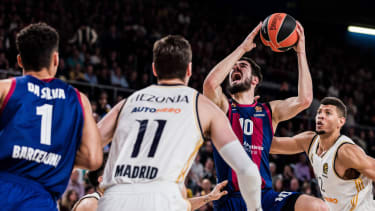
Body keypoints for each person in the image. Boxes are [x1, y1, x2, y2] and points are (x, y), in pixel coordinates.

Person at [97, 35, 262, 211]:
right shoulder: (201, 105)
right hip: (161, 198)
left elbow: (83, 149)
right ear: (189, 70)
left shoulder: (127, 103)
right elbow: (248, 171)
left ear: (154, 69)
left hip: (113, 200)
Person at [203, 22, 328, 211]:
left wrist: (300, 52)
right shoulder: (224, 108)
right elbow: (210, 85)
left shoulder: (269, 111)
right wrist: (243, 49)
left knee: (318, 207)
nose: (235, 68)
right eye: (233, 68)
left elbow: (305, 100)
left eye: (242, 66)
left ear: (255, 80)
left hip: (264, 195)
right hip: (231, 198)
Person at [0, 23, 102, 210]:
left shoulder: (5, 88)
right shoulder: (79, 100)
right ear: (55, 59)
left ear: (20, 61)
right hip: (41, 199)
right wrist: (56, 158)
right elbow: (93, 158)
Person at [272, 97, 375, 210]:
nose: (321, 116)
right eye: (319, 112)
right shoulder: (309, 141)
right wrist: (272, 116)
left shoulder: (346, 152)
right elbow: (272, 145)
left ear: (341, 122)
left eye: (328, 113)